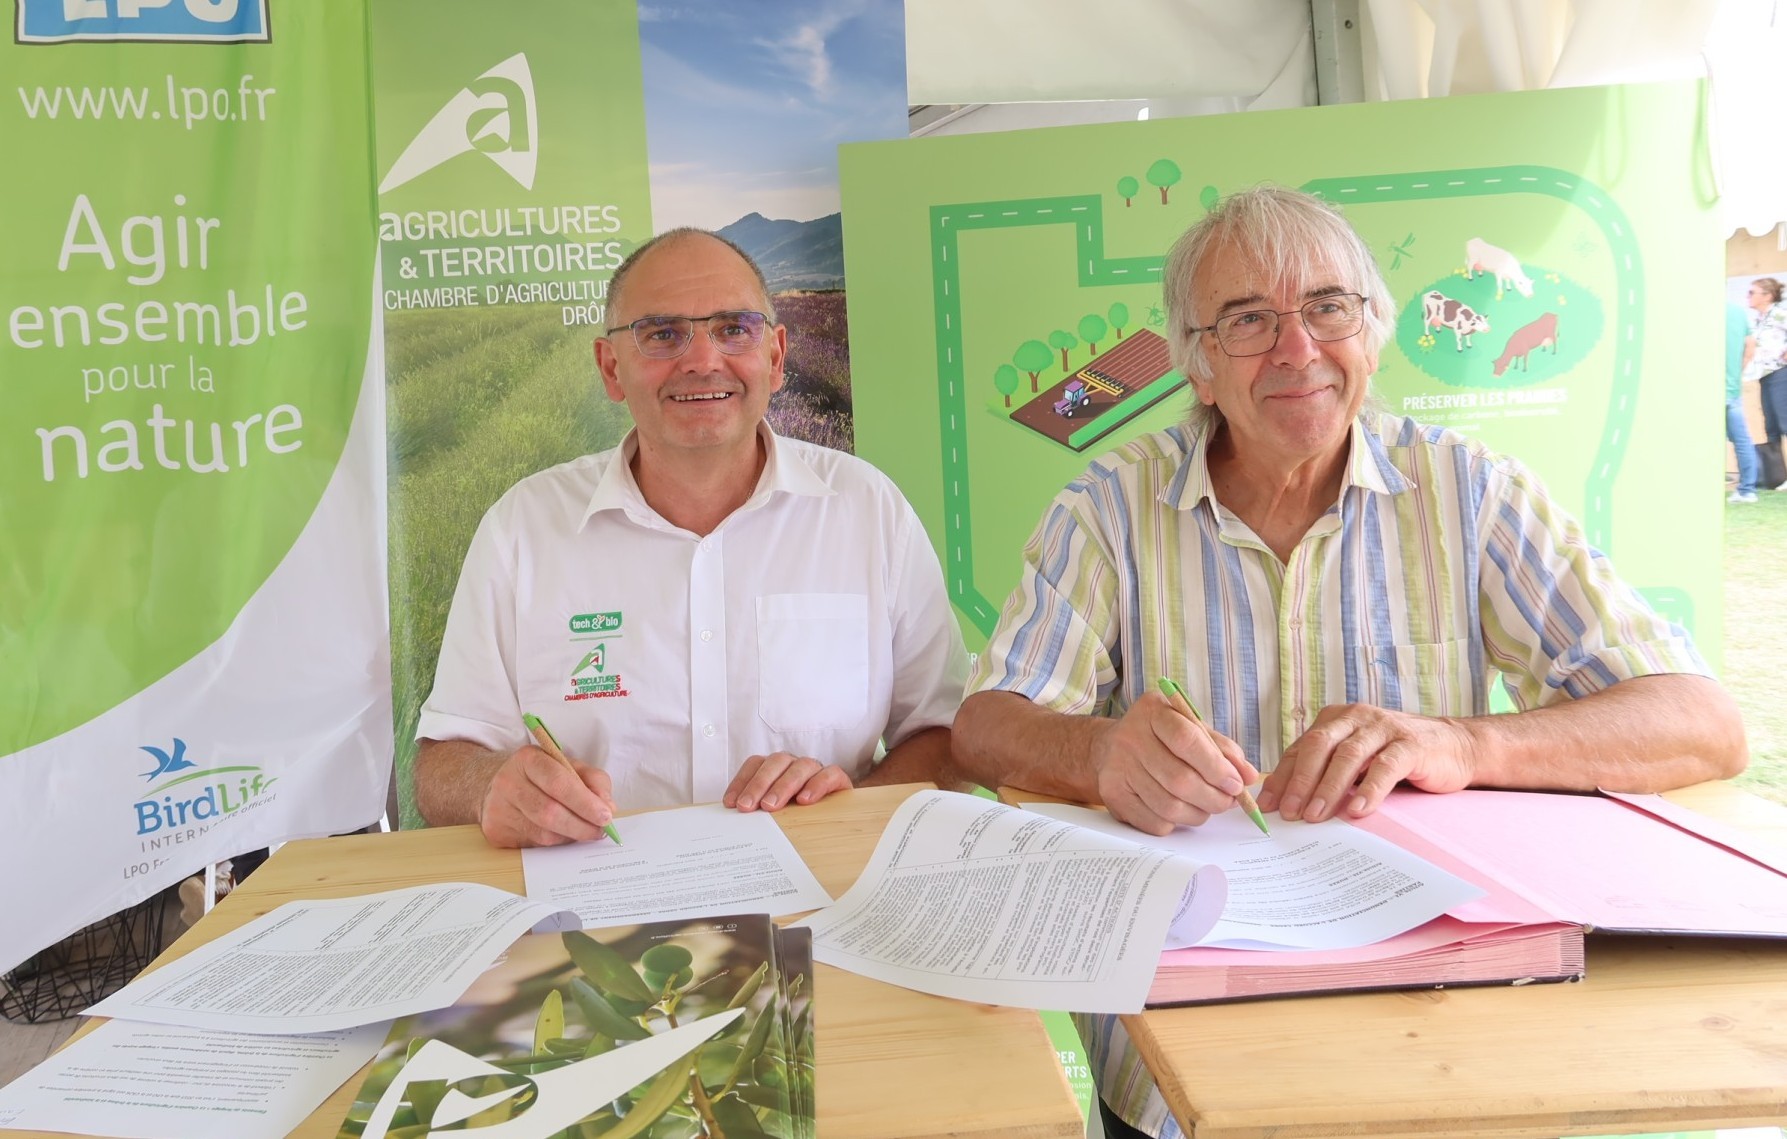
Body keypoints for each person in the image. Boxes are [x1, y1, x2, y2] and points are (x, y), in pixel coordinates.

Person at [951, 186, 1747, 1139]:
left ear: (1372, 332)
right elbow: (985, 724)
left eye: (1328, 307)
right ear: (1198, 366)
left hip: (1436, 1045)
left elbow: (1700, 722)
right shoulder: (1107, 506)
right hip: (1179, 1064)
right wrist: (1099, 755)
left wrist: (1462, 742)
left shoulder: (1469, 490)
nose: (1297, 349)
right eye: (1247, 320)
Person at [414, 228, 968, 849]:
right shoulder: (523, 529)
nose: (703, 360)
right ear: (610, 367)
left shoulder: (870, 512)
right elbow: (442, 763)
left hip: (828, 901)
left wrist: (850, 811)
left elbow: (946, 737)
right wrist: (491, 787)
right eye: (662, 334)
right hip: (597, 913)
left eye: (734, 329)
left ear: (777, 357)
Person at [1745, 276, 1787, 490]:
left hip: (1781, 373)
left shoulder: (1779, 313)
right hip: (1765, 374)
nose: (1748, 296)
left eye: (1752, 292)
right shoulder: (1758, 320)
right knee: (1771, 427)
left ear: (1767, 296)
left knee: (1785, 423)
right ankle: (1778, 476)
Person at [1727, 298, 1759, 502]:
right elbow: (1750, 346)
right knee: (1742, 441)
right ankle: (1747, 490)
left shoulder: (1696, 311)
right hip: (1731, 388)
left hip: (1703, 390)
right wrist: (1736, 371)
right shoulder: (1737, 312)